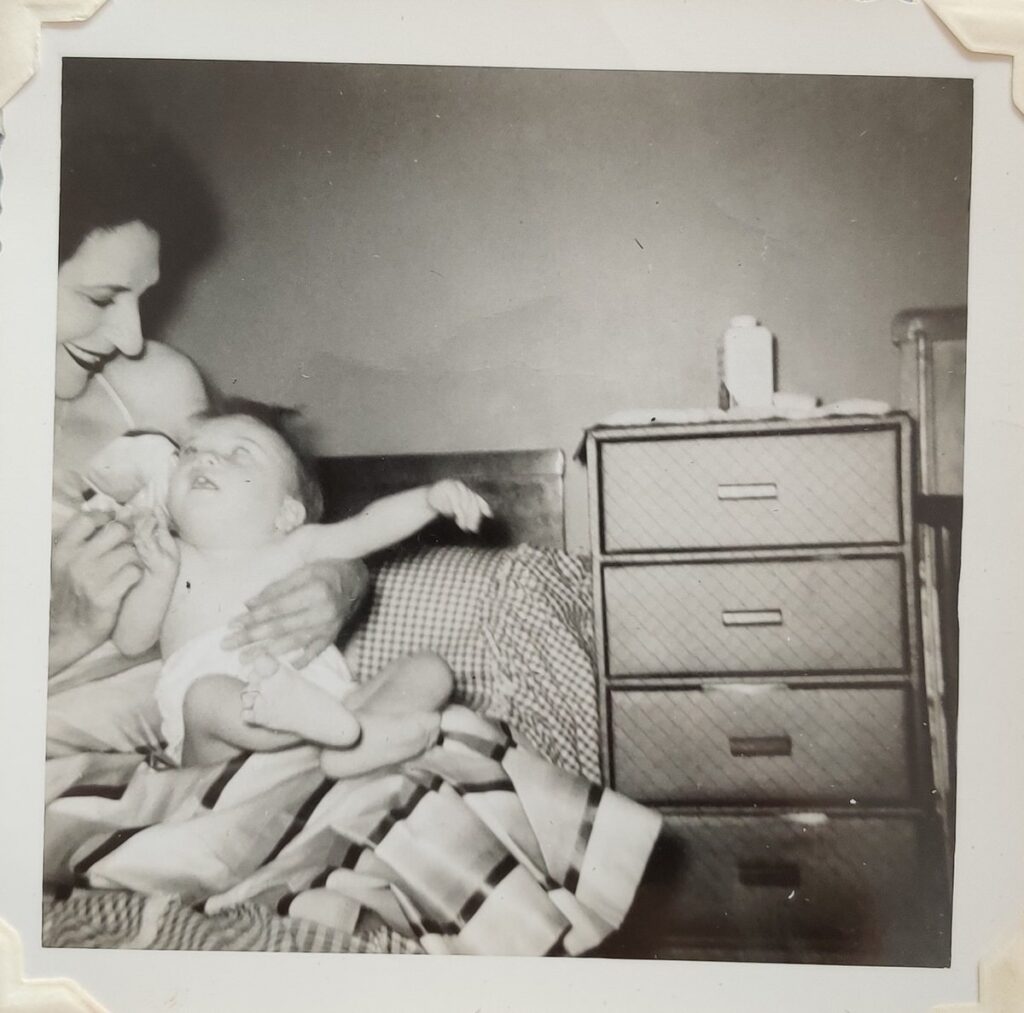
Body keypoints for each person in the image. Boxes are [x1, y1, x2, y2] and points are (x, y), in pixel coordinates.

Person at [47, 128, 367, 755]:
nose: (132, 336)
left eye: (142, 298)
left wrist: (339, 579)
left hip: (230, 694)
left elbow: (264, 514)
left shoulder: (156, 385)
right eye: (100, 297)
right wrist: (63, 632)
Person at [110, 406, 491, 770]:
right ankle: (307, 725)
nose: (204, 459)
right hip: (218, 754)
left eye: (240, 453)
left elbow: (366, 527)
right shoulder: (171, 558)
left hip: (334, 713)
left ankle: (359, 741)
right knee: (205, 697)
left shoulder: (298, 547)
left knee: (430, 668)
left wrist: (428, 500)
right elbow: (129, 641)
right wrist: (157, 577)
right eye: (191, 451)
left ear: (286, 515)